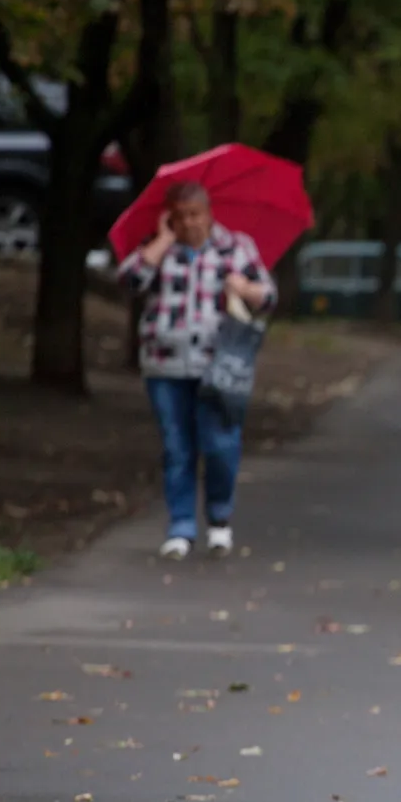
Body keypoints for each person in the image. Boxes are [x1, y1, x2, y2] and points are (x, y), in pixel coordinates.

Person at [118, 181, 276, 560]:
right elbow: (128, 282)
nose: (189, 223)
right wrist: (159, 241)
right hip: (165, 363)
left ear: (208, 213)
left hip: (217, 366)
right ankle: (181, 527)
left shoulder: (236, 248)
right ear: (170, 216)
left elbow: (268, 295)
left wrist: (245, 289)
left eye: (195, 214)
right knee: (177, 447)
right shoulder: (159, 249)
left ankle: (219, 519)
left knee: (220, 445)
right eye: (180, 216)